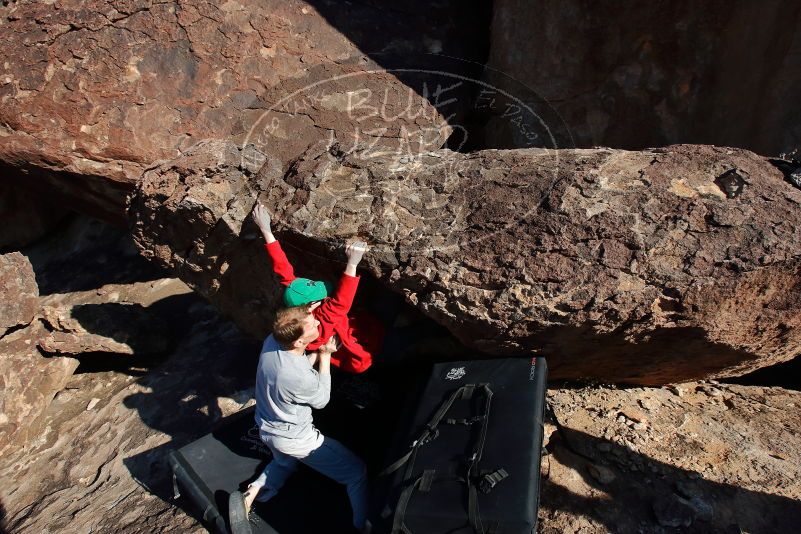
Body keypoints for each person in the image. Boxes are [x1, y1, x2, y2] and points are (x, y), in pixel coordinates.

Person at [228, 306, 370, 534]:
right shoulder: (298, 378)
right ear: (298, 342)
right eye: (312, 324)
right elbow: (322, 399)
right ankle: (361, 526)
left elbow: (298, 360)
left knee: (285, 462)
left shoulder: (272, 342)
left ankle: (250, 494)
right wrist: (325, 356)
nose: (316, 323)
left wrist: (306, 311)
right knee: (356, 473)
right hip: (297, 439)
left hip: (267, 428)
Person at [252, 202, 384, 374]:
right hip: (363, 354)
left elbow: (282, 269)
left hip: (350, 329)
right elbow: (340, 302)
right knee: (398, 330)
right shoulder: (321, 323)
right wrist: (352, 263)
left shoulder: (295, 299)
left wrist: (266, 230)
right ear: (312, 305)